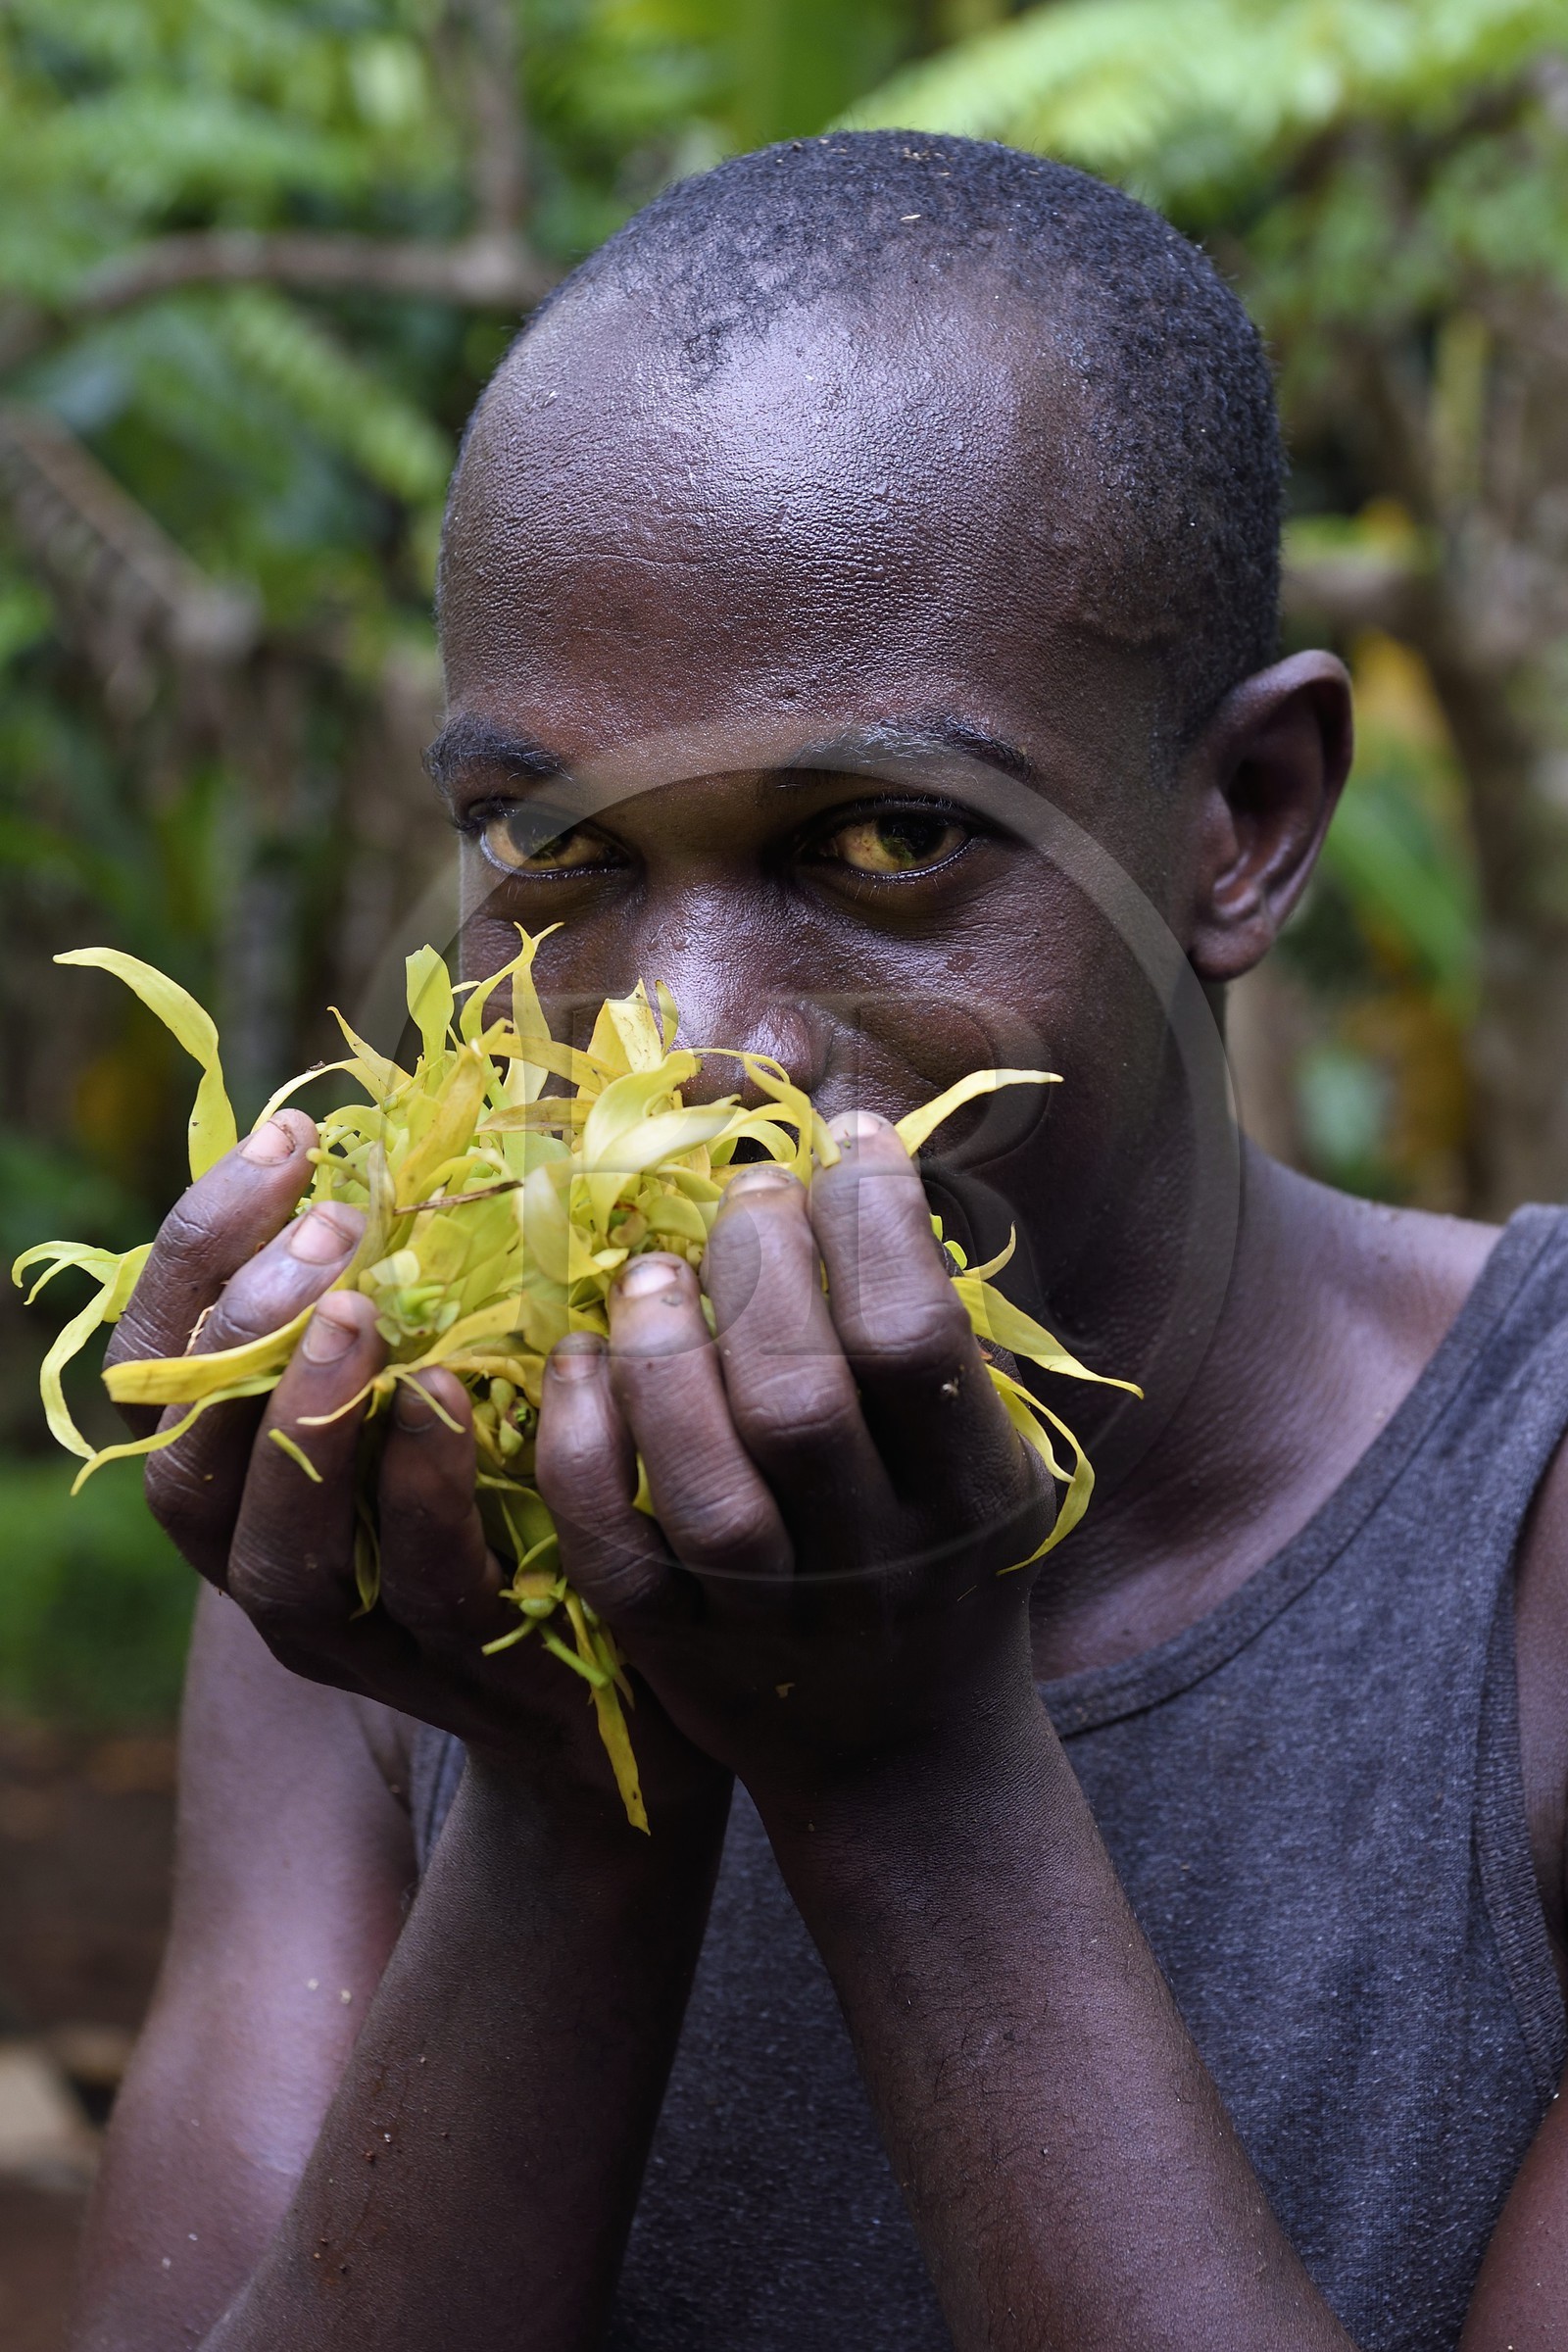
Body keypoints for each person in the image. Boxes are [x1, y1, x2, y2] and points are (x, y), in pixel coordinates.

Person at [68, 133, 1568, 2352]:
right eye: (549, 852)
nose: (678, 1057)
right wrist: (581, 1794)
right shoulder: (393, 1509)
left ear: (1241, 826)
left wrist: (904, 1775)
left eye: (881, 841)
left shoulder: (1523, 1537)